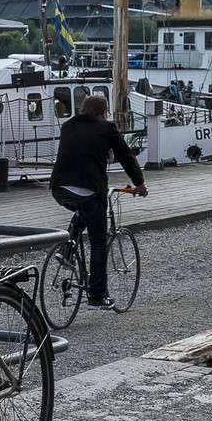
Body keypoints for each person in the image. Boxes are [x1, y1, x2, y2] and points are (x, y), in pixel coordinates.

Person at [49, 93, 148, 308]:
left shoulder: (68, 125)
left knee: (84, 211)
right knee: (98, 240)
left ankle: (66, 252)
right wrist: (139, 184)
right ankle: (96, 297)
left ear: (84, 110)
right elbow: (126, 156)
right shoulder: (107, 128)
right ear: (104, 113)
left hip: (58, 187)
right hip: (87, 188)